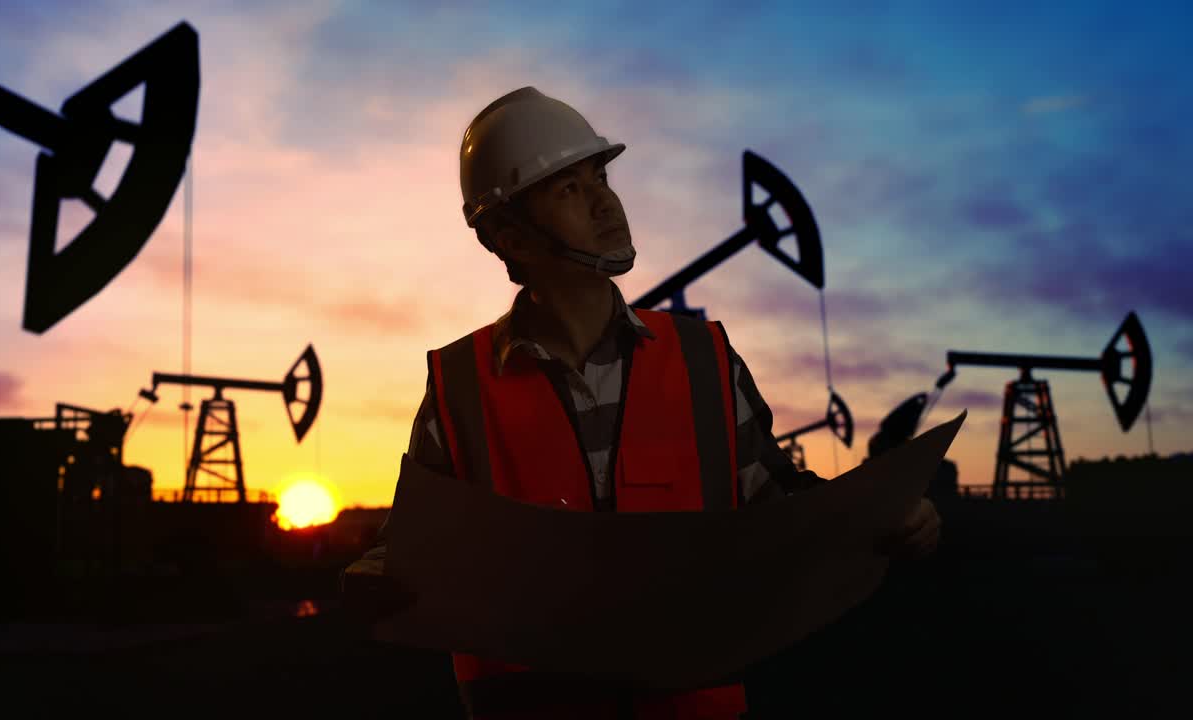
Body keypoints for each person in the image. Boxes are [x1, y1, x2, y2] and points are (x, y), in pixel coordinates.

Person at [342, 86, 941, 720]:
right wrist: (374, 578)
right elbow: (414, 548)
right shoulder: (460, 387)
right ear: (509, 236)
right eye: (568, 189)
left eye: (600, 177)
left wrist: (885, 515)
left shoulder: (705, 360)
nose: (606, 202)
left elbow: (781, 503)